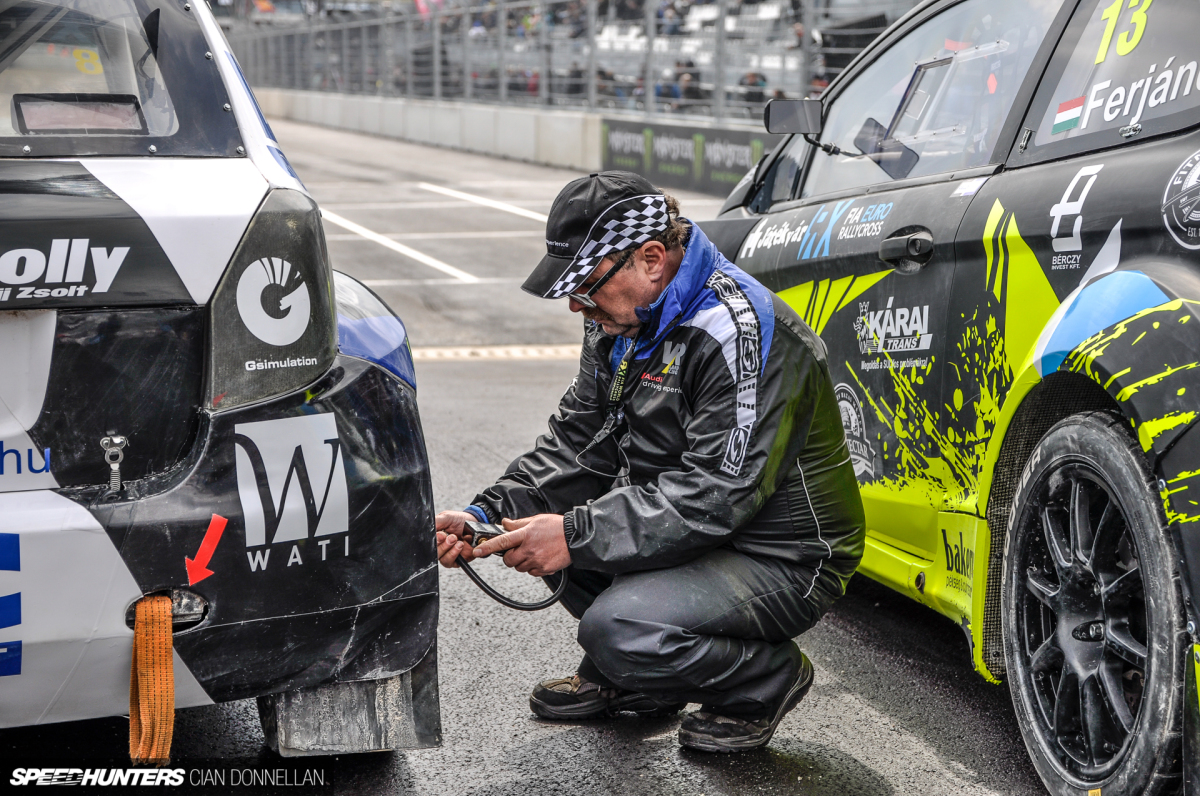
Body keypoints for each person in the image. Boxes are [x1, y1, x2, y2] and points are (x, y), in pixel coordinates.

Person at [435, 172, 865, 753]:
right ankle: (642, 680)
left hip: (780, 556)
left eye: (585, 285)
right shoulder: (620, 318)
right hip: (702, 531)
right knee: (550, 532)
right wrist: (484, 515)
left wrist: (574, 534)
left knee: (614, 622)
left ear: (652, 259)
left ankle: (764, 679)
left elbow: (717, 495)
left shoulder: (739, 329)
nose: (575, 304)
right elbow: (578, 443)